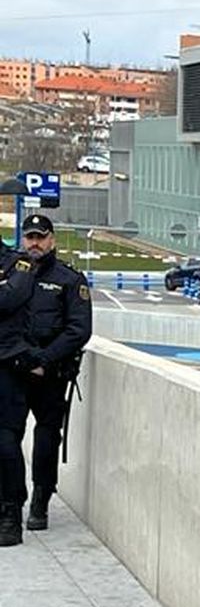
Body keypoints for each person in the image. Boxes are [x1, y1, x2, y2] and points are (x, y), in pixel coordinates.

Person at [9, 215, 91, 533]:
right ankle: (11, 501)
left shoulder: (69, 279)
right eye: (30, 237)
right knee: (7, 439)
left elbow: (78, 329)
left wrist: (44, 359)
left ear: (52, 240)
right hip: (14, 372)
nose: (35, 243)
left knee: (46, 438)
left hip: (51, 374)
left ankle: (41, 500)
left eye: (40, 237)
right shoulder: (12, 274)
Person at [0, 239, 40, 547]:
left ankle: (11, 512)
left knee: (5, 442)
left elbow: (9, 299)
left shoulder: (18, 264)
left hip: (7, 368)